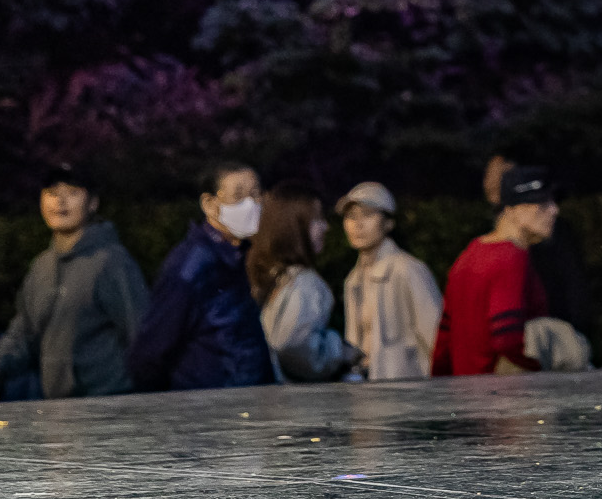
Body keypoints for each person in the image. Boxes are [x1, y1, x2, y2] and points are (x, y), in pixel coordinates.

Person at [0, 162, 150, 402]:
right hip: (59, 407)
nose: (60, 202)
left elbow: (142, 333)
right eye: (52, 194)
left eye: (72, 193)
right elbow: (25, 332)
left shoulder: (112, 261)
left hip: (111, 404)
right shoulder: (41, 266)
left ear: (93, 203)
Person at [126, 160, 276, 392]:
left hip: (242, 405)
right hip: (207, 410)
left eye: (255, 195)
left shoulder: (235, 257)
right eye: (238, 196)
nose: (251, 205)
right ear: (209, 204)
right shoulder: (191, 267)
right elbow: (151, 350)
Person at [435, 166, 558, 375]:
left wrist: (442, 392)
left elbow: (445, 336)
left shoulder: (470, 253)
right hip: (506, 397)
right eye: (541, 203)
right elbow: (506, 339)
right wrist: (544, 370)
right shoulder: (511, 257)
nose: (554, 210)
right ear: (511, 210)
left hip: (466, 394)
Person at [250, 182, 361, 383]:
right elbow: (294, 345)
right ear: (294, 226)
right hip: (299, 404)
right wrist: (342, 352)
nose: (325, 227)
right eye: (317, 219)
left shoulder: (266, 274)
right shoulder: (304, 283)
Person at [337, 181, 441, 381]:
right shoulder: (353, 279)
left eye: (367, 214)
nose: (357, 224)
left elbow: (435, 338)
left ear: (388, 223)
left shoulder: (408, 270)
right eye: (351, 216)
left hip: (410, 395)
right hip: (365, 395)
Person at [486, 153, 593, 336]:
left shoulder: (552, 232)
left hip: (556, 332)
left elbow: (573, 283)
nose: (491, 183)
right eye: (491, 176)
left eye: (503, 177)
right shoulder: (493, 244)